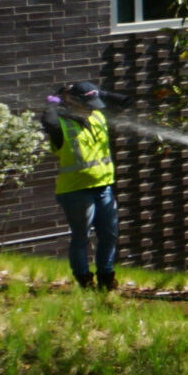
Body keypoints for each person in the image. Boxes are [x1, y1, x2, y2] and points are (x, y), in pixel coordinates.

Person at [42, 81, 117, 290]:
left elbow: (126, 102)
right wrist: (55, 98)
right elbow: (47, 120)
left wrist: (97, 91)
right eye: (89, 102)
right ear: (74, 102)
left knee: (109, 235)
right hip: (76, 191)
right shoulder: (61, 125)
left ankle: (106, 276)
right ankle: (84, 279)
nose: (93, 107)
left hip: (104, 186)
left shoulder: (98, 117)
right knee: (81, 236)